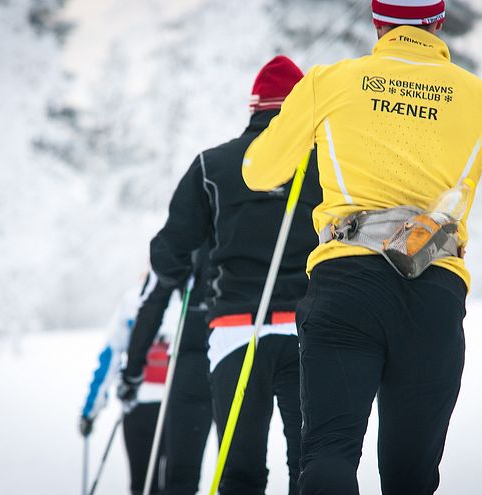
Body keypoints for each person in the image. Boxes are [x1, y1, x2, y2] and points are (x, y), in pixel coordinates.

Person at [242, 2, 482, 493]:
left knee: (327, 454)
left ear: (378, 22)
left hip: (345, 286)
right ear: (438, 21)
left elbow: (259, 173)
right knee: (410, 476)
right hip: (433, 294)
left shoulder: (330, 81)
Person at [148, 55, 321, 494]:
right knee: (310, 465)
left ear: (254, 107)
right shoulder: (328, 167)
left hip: (235, 335)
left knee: (240, 472)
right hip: (307, 332)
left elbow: (167, 254)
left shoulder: (213, 166)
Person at [120, 247, 213, 495]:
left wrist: (130, 375)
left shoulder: (170, 291)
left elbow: (151, 313)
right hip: (152, 398)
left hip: (179, 384)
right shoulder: (132, 303)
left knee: (176, 476)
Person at [80, 273, 169, 495]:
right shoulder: (188, 299)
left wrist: (90, 411)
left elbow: (110, 357)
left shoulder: (132, 302)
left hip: (139, 405)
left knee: (142, 485)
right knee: (175, 485)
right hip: (176, 407)